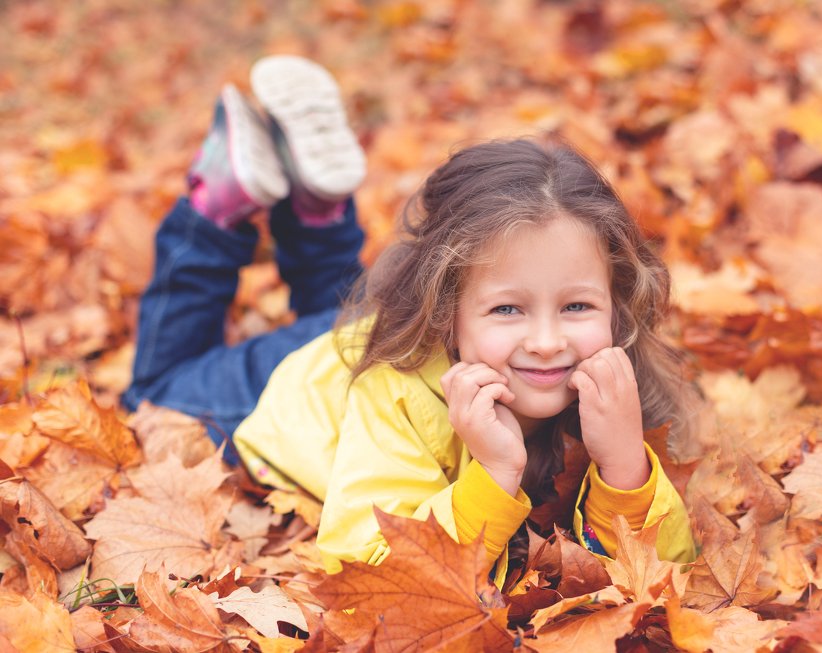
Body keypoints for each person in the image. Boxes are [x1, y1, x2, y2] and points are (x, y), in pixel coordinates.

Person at [124, 55, 696, 586]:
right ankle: (218, 203)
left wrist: (625, 466)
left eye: (576, 306)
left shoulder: (611, 382)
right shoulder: (396, 400)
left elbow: (659, 580)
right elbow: (373, 574)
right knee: (151, 393)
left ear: (617, 301)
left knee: (342, 307)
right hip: (285, 391)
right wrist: (493, 476)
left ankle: (317, 207)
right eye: (507, 309)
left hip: (373, 334)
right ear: (443, 311)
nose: (547, 343)